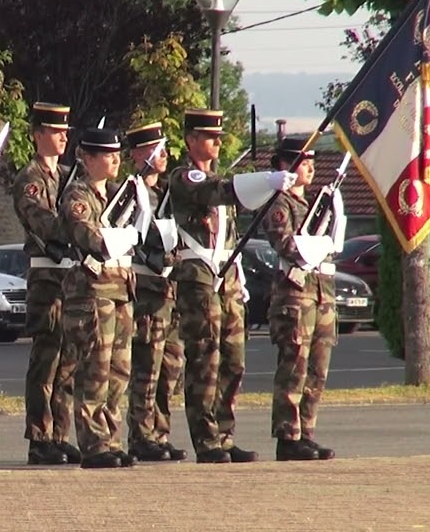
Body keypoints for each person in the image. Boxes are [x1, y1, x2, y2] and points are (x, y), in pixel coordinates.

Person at [168, 109, 296, 464]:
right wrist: (263, 181)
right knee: (205, 360)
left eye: (220, 137)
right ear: (192, 140)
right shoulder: (184, 176)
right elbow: (217, 192)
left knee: (233, 360)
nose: (218, 143)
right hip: (200, 278)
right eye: (211, 137)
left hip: (226, 278)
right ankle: (206, 440)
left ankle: (225, 434)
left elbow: (235, 202)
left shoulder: (219, 177)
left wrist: (269, 187)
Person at [60, 127, 146, 469]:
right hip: (92, 293)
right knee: (94, 369)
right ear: (88, 158)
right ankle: (93, 444)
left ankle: (111, 438)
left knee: (118, 371)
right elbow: (89, 236)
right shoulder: (77, 196)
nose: (115, 159)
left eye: (117, 154)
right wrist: (123, 234)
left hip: (121, 289)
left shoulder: (117, 194)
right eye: (107, 155)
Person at [260, 136, 345, 462]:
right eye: (303, 162)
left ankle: (306, 431)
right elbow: (288, 247)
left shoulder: (314, 205)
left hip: (321, 293)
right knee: (294, 366)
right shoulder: (279, 206)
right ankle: (288, 435)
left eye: (311, 161)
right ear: (284, 165)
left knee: (317, 371)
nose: (310, 167)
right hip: (295, 296)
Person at [12, 102, 79, 466]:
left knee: (68, 360)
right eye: (55, 131)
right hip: (46, 277)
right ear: (38, 135)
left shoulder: (69, 175)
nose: (63, 136)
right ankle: (39, 438)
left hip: (70, 277)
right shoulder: (31, 179)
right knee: (46, 360)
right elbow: (42, 222)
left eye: (65, 131)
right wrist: (77, 229)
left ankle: (59, 434)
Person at [122, 121, 187, 462]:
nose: (162, 155)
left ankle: (160, 432)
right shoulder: (131, 193)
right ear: (137, 155)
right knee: (147, 364)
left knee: (169, 365)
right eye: (153, 150)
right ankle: (141, 434)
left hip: (169, 288)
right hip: (146, 286)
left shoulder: (164, 195)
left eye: (162, 149)